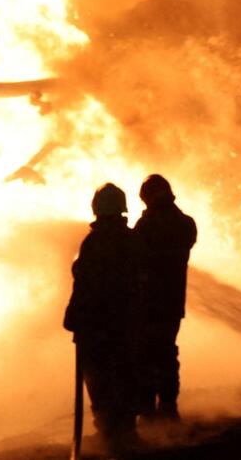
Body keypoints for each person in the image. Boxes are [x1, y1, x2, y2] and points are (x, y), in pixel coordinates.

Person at [63, 183, 142, 455]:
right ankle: (126, 432)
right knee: (126, 375)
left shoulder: (95, 243)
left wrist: (73, 315)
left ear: (97, 209)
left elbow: (84, 283)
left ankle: (109, 433)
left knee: (99, 378)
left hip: (97, 327)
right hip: (126, 324)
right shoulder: (133, 241)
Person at [133, 174, 197, 422]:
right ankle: (169, 406)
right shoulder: (186, 223)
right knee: (166, 352)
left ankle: (148, 409)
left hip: (148, 303)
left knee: (145, 355)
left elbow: (135, 254)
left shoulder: (147, 225)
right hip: (173, 303)